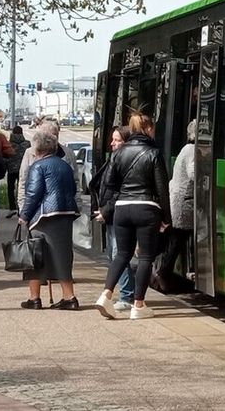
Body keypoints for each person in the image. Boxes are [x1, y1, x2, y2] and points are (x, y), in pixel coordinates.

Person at [95, 112, 171, 320]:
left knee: (122, 254)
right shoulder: (153, 153)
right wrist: (166, 218)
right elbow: (162, 189)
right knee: (146, 257)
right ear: (148, 129)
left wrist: (110, 206)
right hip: (146, 208)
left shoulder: (118, 153)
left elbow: (110, 183)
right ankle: (138, 305)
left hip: (122, 208)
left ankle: (105, 295)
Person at [19, 127, 80, 310]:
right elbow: (73, 189)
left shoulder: (38, 166)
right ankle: (69, 296)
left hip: (44, 217)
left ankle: (35, 298)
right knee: (62, 255)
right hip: (65, 214)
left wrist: (24, 215)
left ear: (37, 148)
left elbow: (33, 194)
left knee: (35, 255)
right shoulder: (65, 165)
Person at [91, 126, 136, 311]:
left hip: (118, 214)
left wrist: (106, 211)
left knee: (119, 254)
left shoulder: (124, 163)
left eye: (117, 140)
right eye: (113, 139)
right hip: (111, 214)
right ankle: (126, 294)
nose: (112, 143)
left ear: (126, 143)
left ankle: (127, 296)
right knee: (113, 254)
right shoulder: (114, 159)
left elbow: (118, 192)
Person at [156, 120, 195, 293]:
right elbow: (193, 173)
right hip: (183, 203)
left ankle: (163, 273)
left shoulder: (186, 149)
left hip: (181, 201)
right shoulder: (192, 150)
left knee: (176, 239)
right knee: (177, 239)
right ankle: (163, 273)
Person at [17, 116, 77, 208]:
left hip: (63, 207)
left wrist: (78, 205)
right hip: (36, 208)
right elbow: (23, 181)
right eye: (50, 136)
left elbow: (75, 181)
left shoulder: (68, 153)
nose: (54, 139)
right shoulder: (30, 153)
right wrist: (22, 207)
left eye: (56, 135)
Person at [5, 125, 30, 218]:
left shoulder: (9, 144)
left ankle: (12, 208)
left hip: (11, 169)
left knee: (10, 188)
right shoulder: (27, 144)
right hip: (23, 169)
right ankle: (21, 208)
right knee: (22, 189)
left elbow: (5, 157)